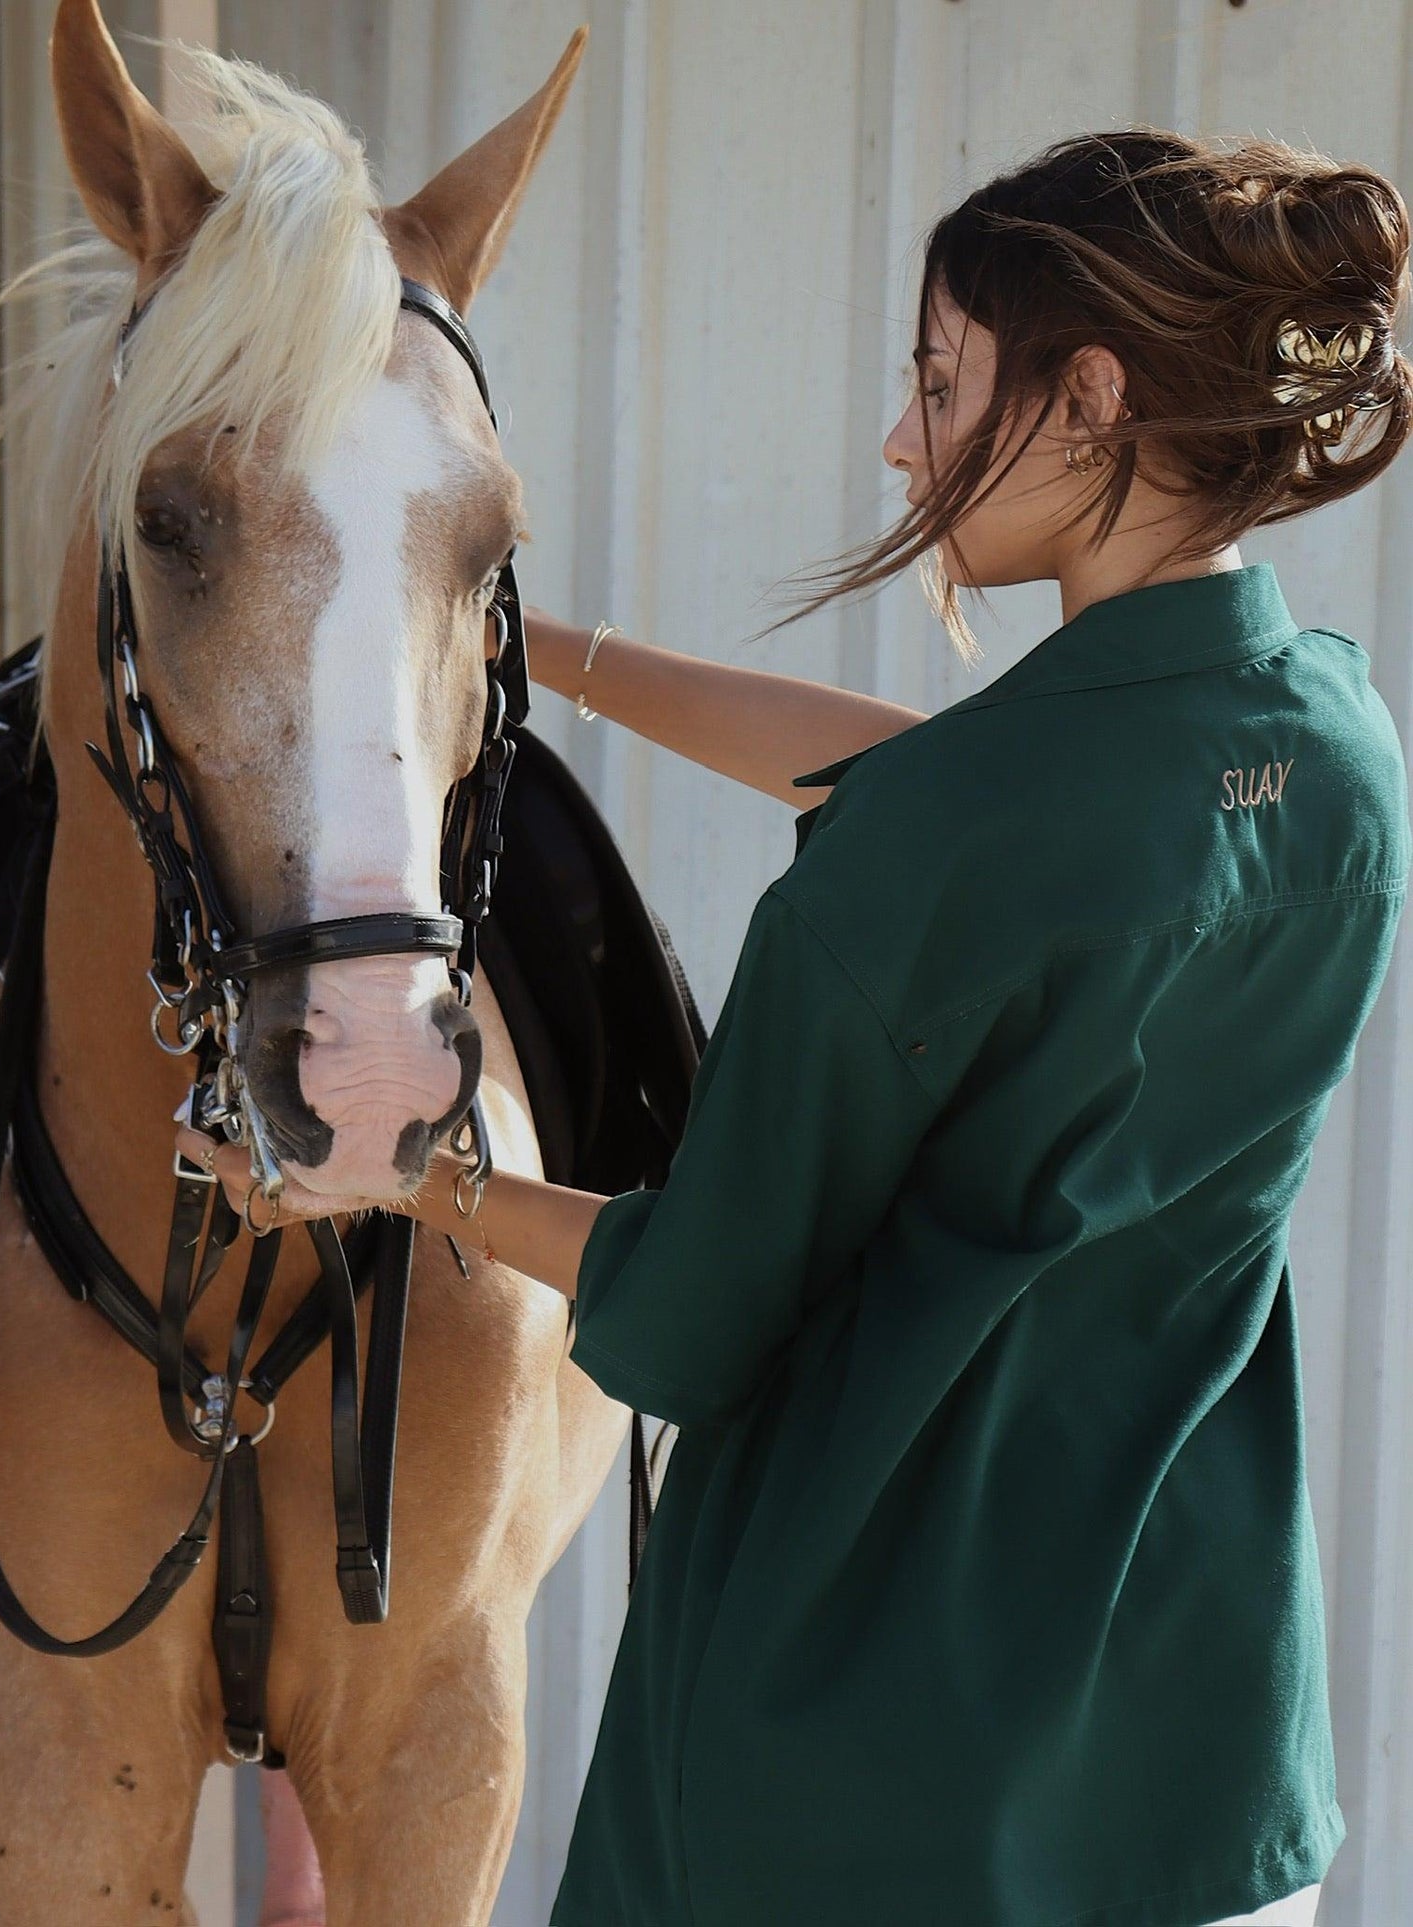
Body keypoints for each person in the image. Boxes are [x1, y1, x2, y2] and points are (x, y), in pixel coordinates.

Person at [185, 131, 1412, 1927]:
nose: (903, 442)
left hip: (860, 1762)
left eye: (936, 383)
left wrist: (402, 1176)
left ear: (1091, 397)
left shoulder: (937, 854)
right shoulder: (1336, 755)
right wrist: (553, 656)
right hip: (1192, 1750)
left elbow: (686, 1314)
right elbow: (966, 796)